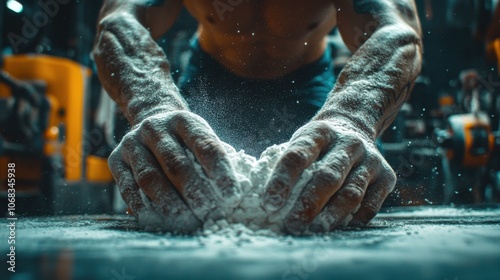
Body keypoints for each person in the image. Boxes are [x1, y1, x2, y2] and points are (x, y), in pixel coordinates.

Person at [93, 0, 422, 234]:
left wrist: (353, 119)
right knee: (176, 194)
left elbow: (397, 33)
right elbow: (119, 22)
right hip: (211, 77)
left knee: (319, 205)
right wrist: (153, 107)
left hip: (304, 85)